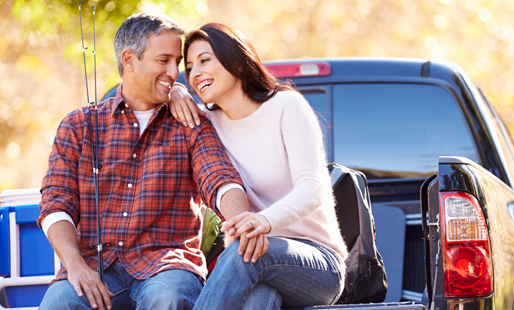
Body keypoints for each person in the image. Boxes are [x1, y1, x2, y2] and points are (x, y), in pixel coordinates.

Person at [37, 14, 260, 310]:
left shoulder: (190, 122)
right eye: (163, 60)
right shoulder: (78, 125)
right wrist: (75, 265)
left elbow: (219, 179)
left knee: (167, 298)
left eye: (177, 63)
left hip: (168, 266)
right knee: (59, 304)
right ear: (129, 60)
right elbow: (56, 203)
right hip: (94, 266)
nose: (174, 72)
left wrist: (241, 222)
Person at [169, 23, 348, 309]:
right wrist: (175, 91)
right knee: (257, 301)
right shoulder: (207, 124)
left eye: (205, 60)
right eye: (189, 68)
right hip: (252, 260)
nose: (195, 73)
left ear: (236, 62)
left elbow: (313, 189)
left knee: (243, 252)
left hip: (316, 264)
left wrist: (263, 221)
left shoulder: (286, 107)